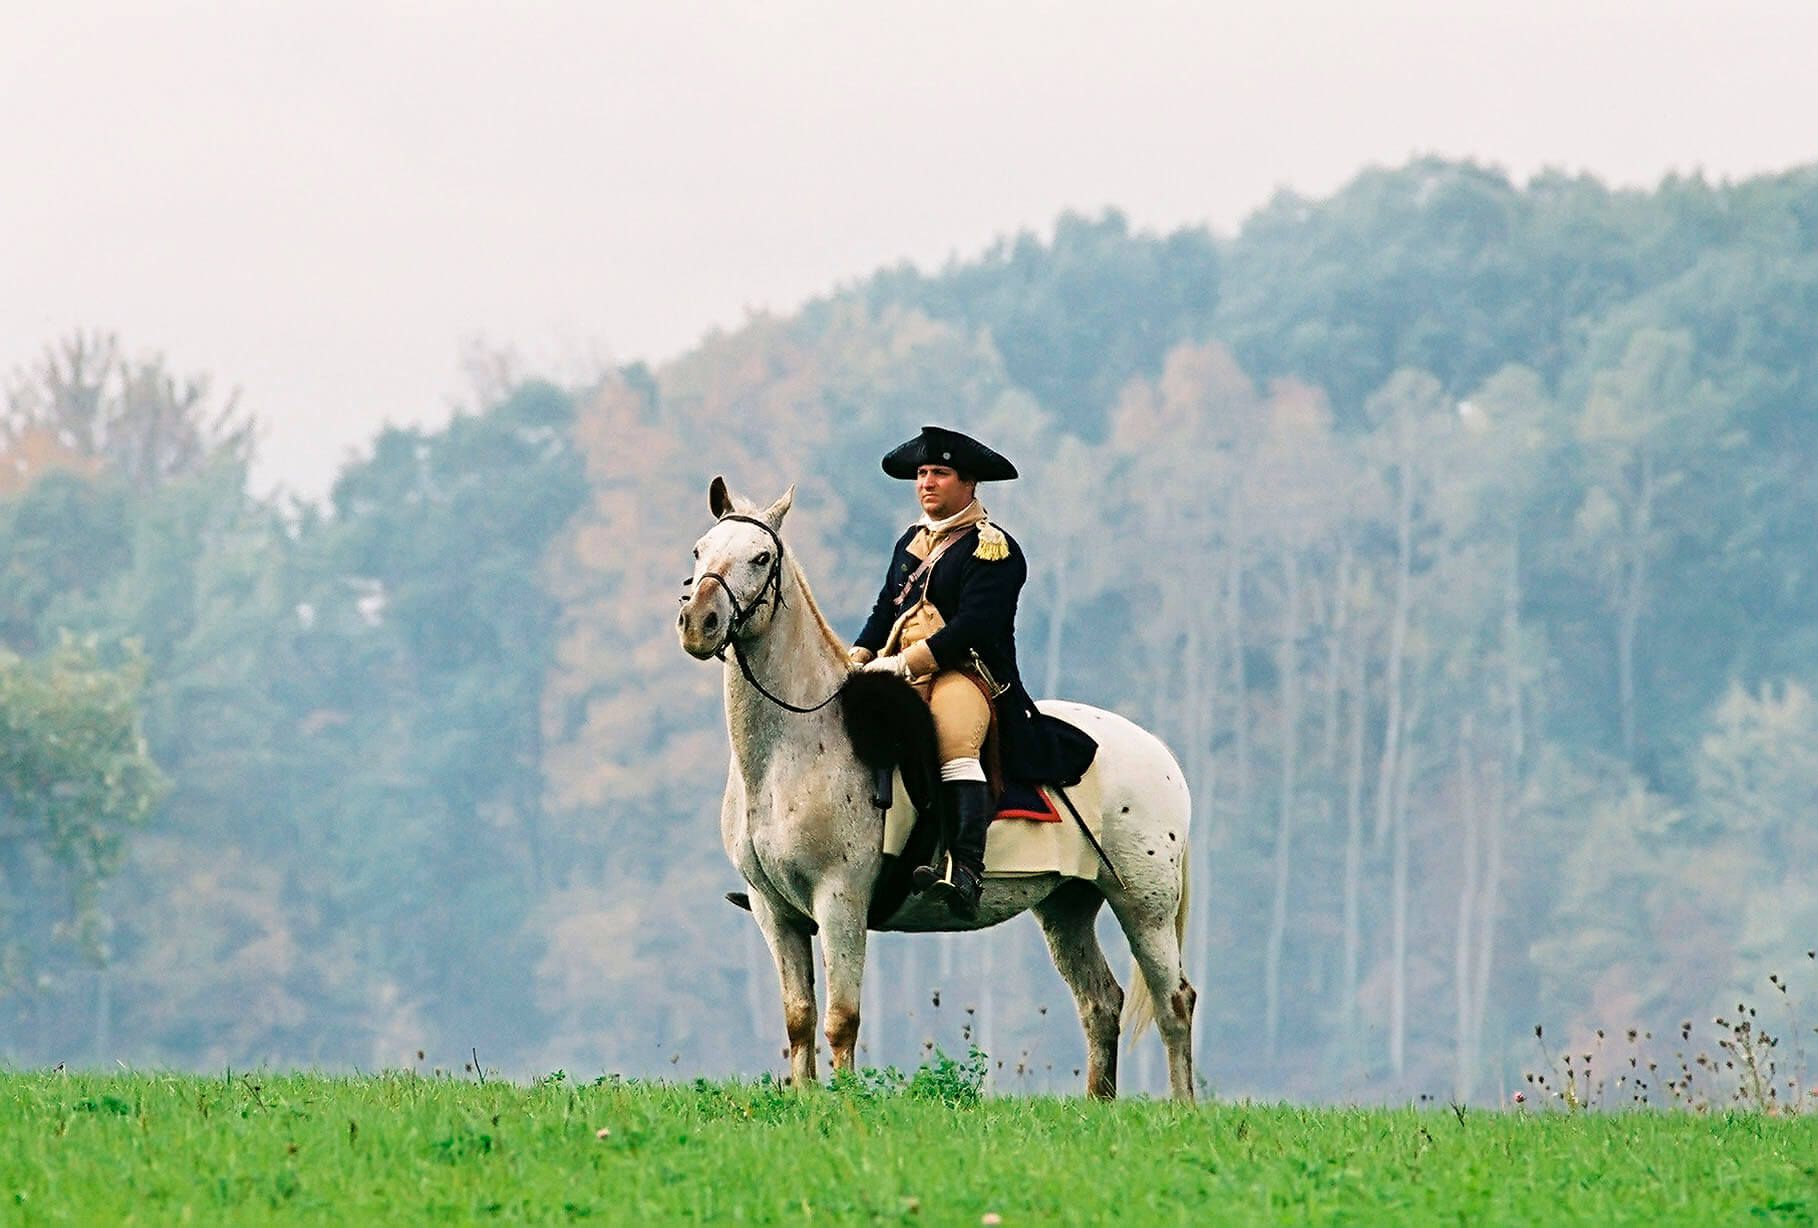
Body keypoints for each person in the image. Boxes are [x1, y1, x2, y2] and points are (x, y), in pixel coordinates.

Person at [850, 425, 1095, 918]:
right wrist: (858, 654)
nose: (926, 483)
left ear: (969, 484)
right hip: (898, 667)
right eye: (921, 473)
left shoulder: (993, 547)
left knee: (953, 741)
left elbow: (975, 627)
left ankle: (964, 873)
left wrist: (906, 663)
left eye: (939, 473)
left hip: (967, 674)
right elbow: (885, 610)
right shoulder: (910, 542)